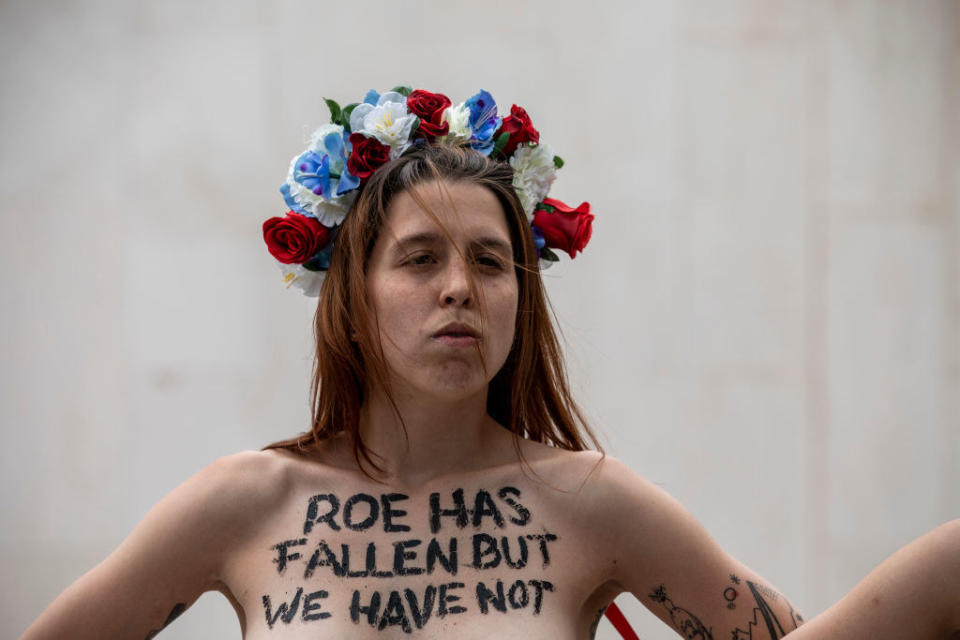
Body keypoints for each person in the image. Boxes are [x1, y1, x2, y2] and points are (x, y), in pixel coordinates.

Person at [22, 87, 959, 640]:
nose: (461, 288)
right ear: (351, 293)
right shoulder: (241, 503)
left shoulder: (590, 498)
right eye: (421, 258)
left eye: (491, 261)